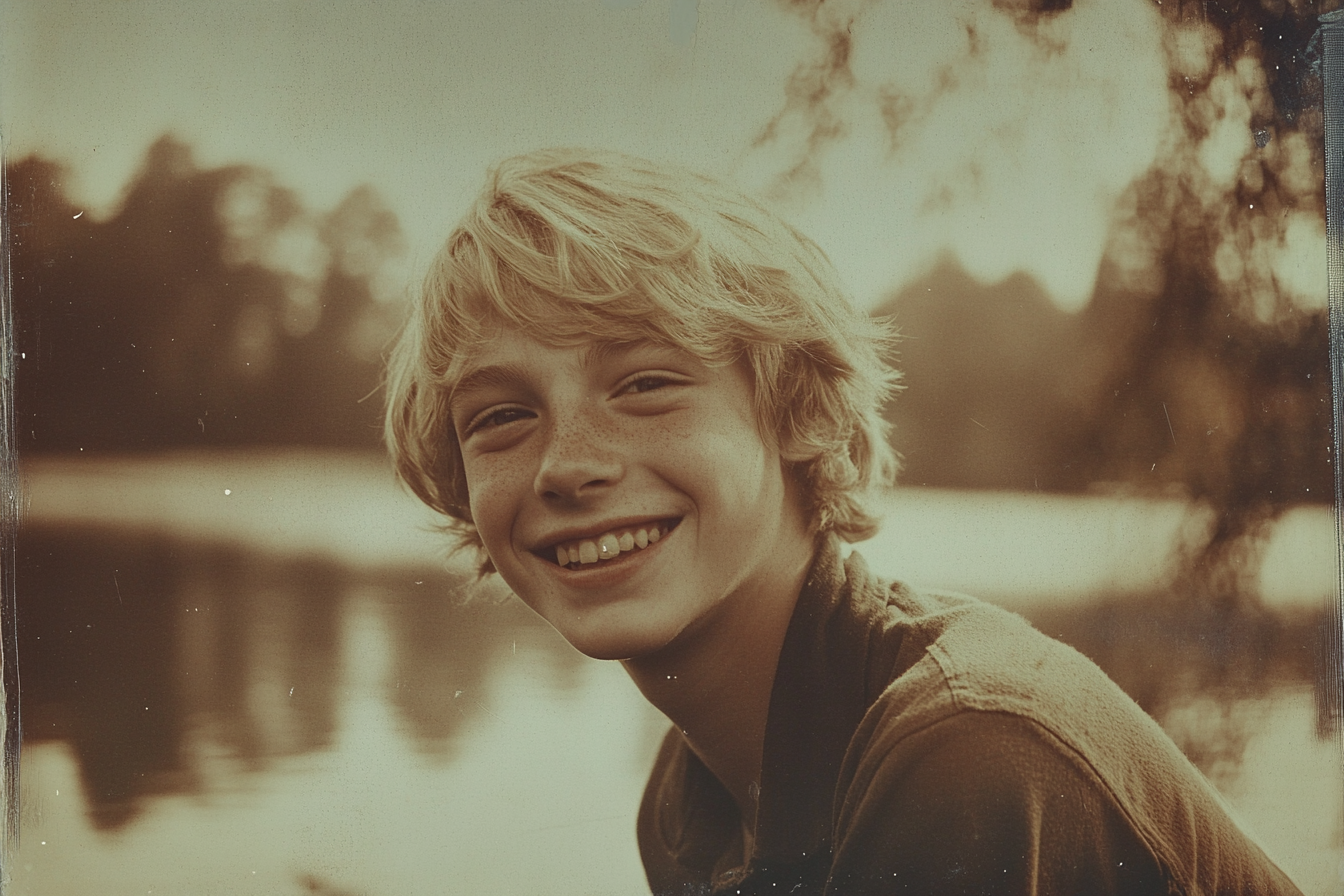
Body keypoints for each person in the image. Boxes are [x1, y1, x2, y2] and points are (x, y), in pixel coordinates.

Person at [383, 148, 1303, 896]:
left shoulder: (967, 750)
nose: (565, 463)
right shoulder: (689, 798)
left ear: (794, 414)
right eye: (501, 416)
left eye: (645, 384)